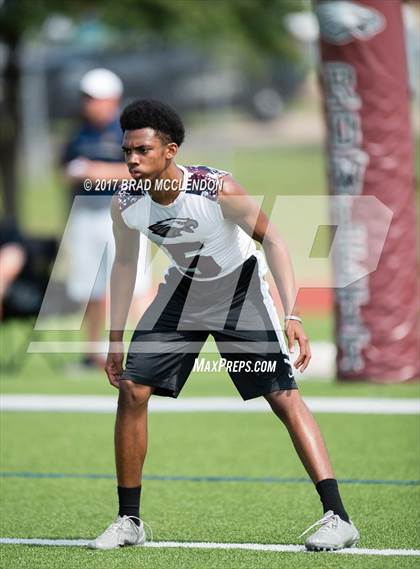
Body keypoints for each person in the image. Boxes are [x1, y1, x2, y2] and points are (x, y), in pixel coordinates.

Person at [88, 99, 359, 551]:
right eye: (127, 152)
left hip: (240, 292)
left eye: (142, 150)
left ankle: (338, 516)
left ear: (170, 150)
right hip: (181, 295)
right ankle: (128, 520)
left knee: (283, 396)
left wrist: (292, 313)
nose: (132, 160)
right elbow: (124, 266)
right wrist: (115, 339)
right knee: (132, 388)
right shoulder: (126, 202)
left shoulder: (216, 188)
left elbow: (272, 238)